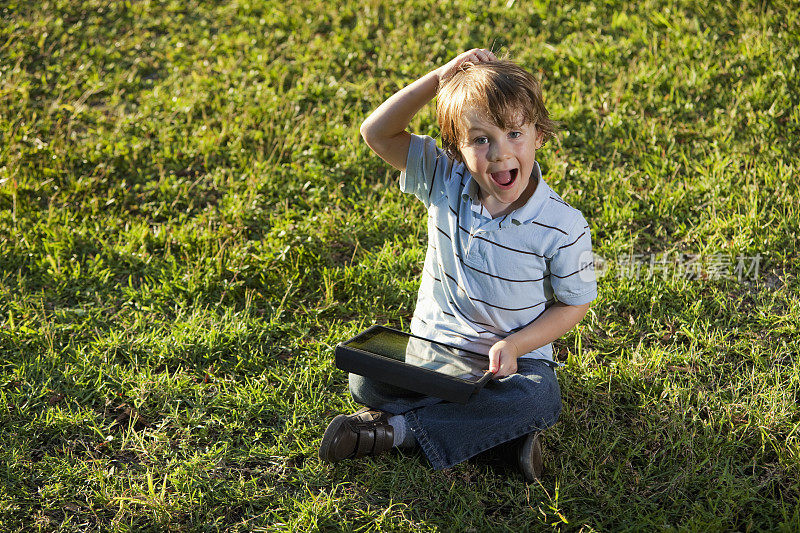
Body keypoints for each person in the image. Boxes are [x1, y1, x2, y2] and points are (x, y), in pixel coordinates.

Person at [319, 48, 597, 480]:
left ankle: (396, 432)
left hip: (511, 364)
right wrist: (437, 78)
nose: (500, 154)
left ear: (539, 135)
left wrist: (517, 346)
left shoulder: (564, 225)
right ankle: (499, 445)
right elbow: (377, 132)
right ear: (457, 149)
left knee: (538, 400)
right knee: (365, 381)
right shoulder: (444, 178)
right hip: (434, 352)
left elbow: (574, 304)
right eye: (480, 139)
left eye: (514, 134)